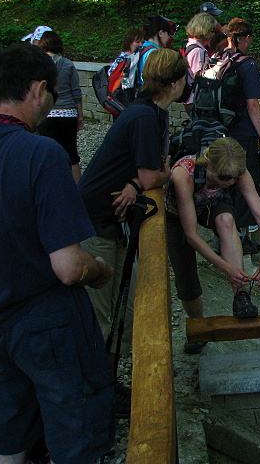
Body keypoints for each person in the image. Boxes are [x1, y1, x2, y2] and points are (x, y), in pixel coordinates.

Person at [0, 42, 115, 464]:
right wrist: (99, 270)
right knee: (77, 440)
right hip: (46, 323)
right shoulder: (41, 153)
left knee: (9, 445)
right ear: (36, 90)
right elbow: (68, 267)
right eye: (50, 93)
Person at [78, 49, 186, 368]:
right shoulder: (143, 116)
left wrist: (137, 183)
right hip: (96, 221)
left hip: (115, 220)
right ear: (176, 83)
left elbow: (144, 174)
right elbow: (154, 172)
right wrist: (167, 174)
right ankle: (97, 396)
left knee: (127, 306)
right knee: (100, 316)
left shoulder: (153, 112)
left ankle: (108, 380)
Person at [166, 137, 260, 352]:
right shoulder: (184, 175)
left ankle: (240, 297)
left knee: (226, 221)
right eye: (225, 178)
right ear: (209, 165)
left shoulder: (235, 173)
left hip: (210, 203)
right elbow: (192, 235)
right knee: (185, 277)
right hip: (176, 213)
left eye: (234, 178)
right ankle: (198, 327)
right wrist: (225, 268)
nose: (230, 183)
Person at [220, 17, 260, 254]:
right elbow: (252, 105)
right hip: (243, 134)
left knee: (225, 183)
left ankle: (223, 235)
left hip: (221, 131)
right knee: (245, 183)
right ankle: (240, 238)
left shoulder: (218, 59)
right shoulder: (247, 65)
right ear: (247, 37)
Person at [35, 30, 84, 181]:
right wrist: (80, 116)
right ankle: (77, 190)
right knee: (72, 154)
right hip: (69, 113)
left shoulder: (39, 65)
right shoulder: (68, 65)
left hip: (47, 114)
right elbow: (76, 92)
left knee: (48, 153)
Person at [182, 13, 218, 115]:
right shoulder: (198, 51)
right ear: (204, 30)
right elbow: (197, 75)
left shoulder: (189, 45)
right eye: (212, 31)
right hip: (195, 99)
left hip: (190, 98)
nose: (213, 34)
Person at [136, 15, 177, 87]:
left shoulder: (141, 48)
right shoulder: (155, 54)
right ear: (161, 33)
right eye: (168, 33)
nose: (169, 38)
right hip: (151, 95)